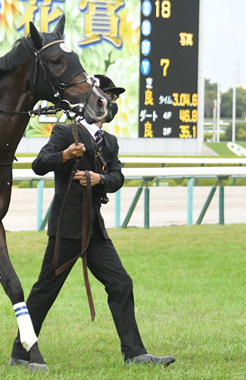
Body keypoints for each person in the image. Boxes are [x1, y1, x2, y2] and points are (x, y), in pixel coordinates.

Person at [9, 75, 175, 369]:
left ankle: (135, 354)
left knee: (121, 283)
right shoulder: (65, 132)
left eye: (115, 98)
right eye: (109, 97)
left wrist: (100, 179)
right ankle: (21, 355)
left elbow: (117, 177)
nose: (113, 103)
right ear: (93, 101)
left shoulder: (109, 141)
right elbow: (38, 165)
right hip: (67, 228)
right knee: (46, 290)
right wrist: (64, 155)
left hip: (94, 231)